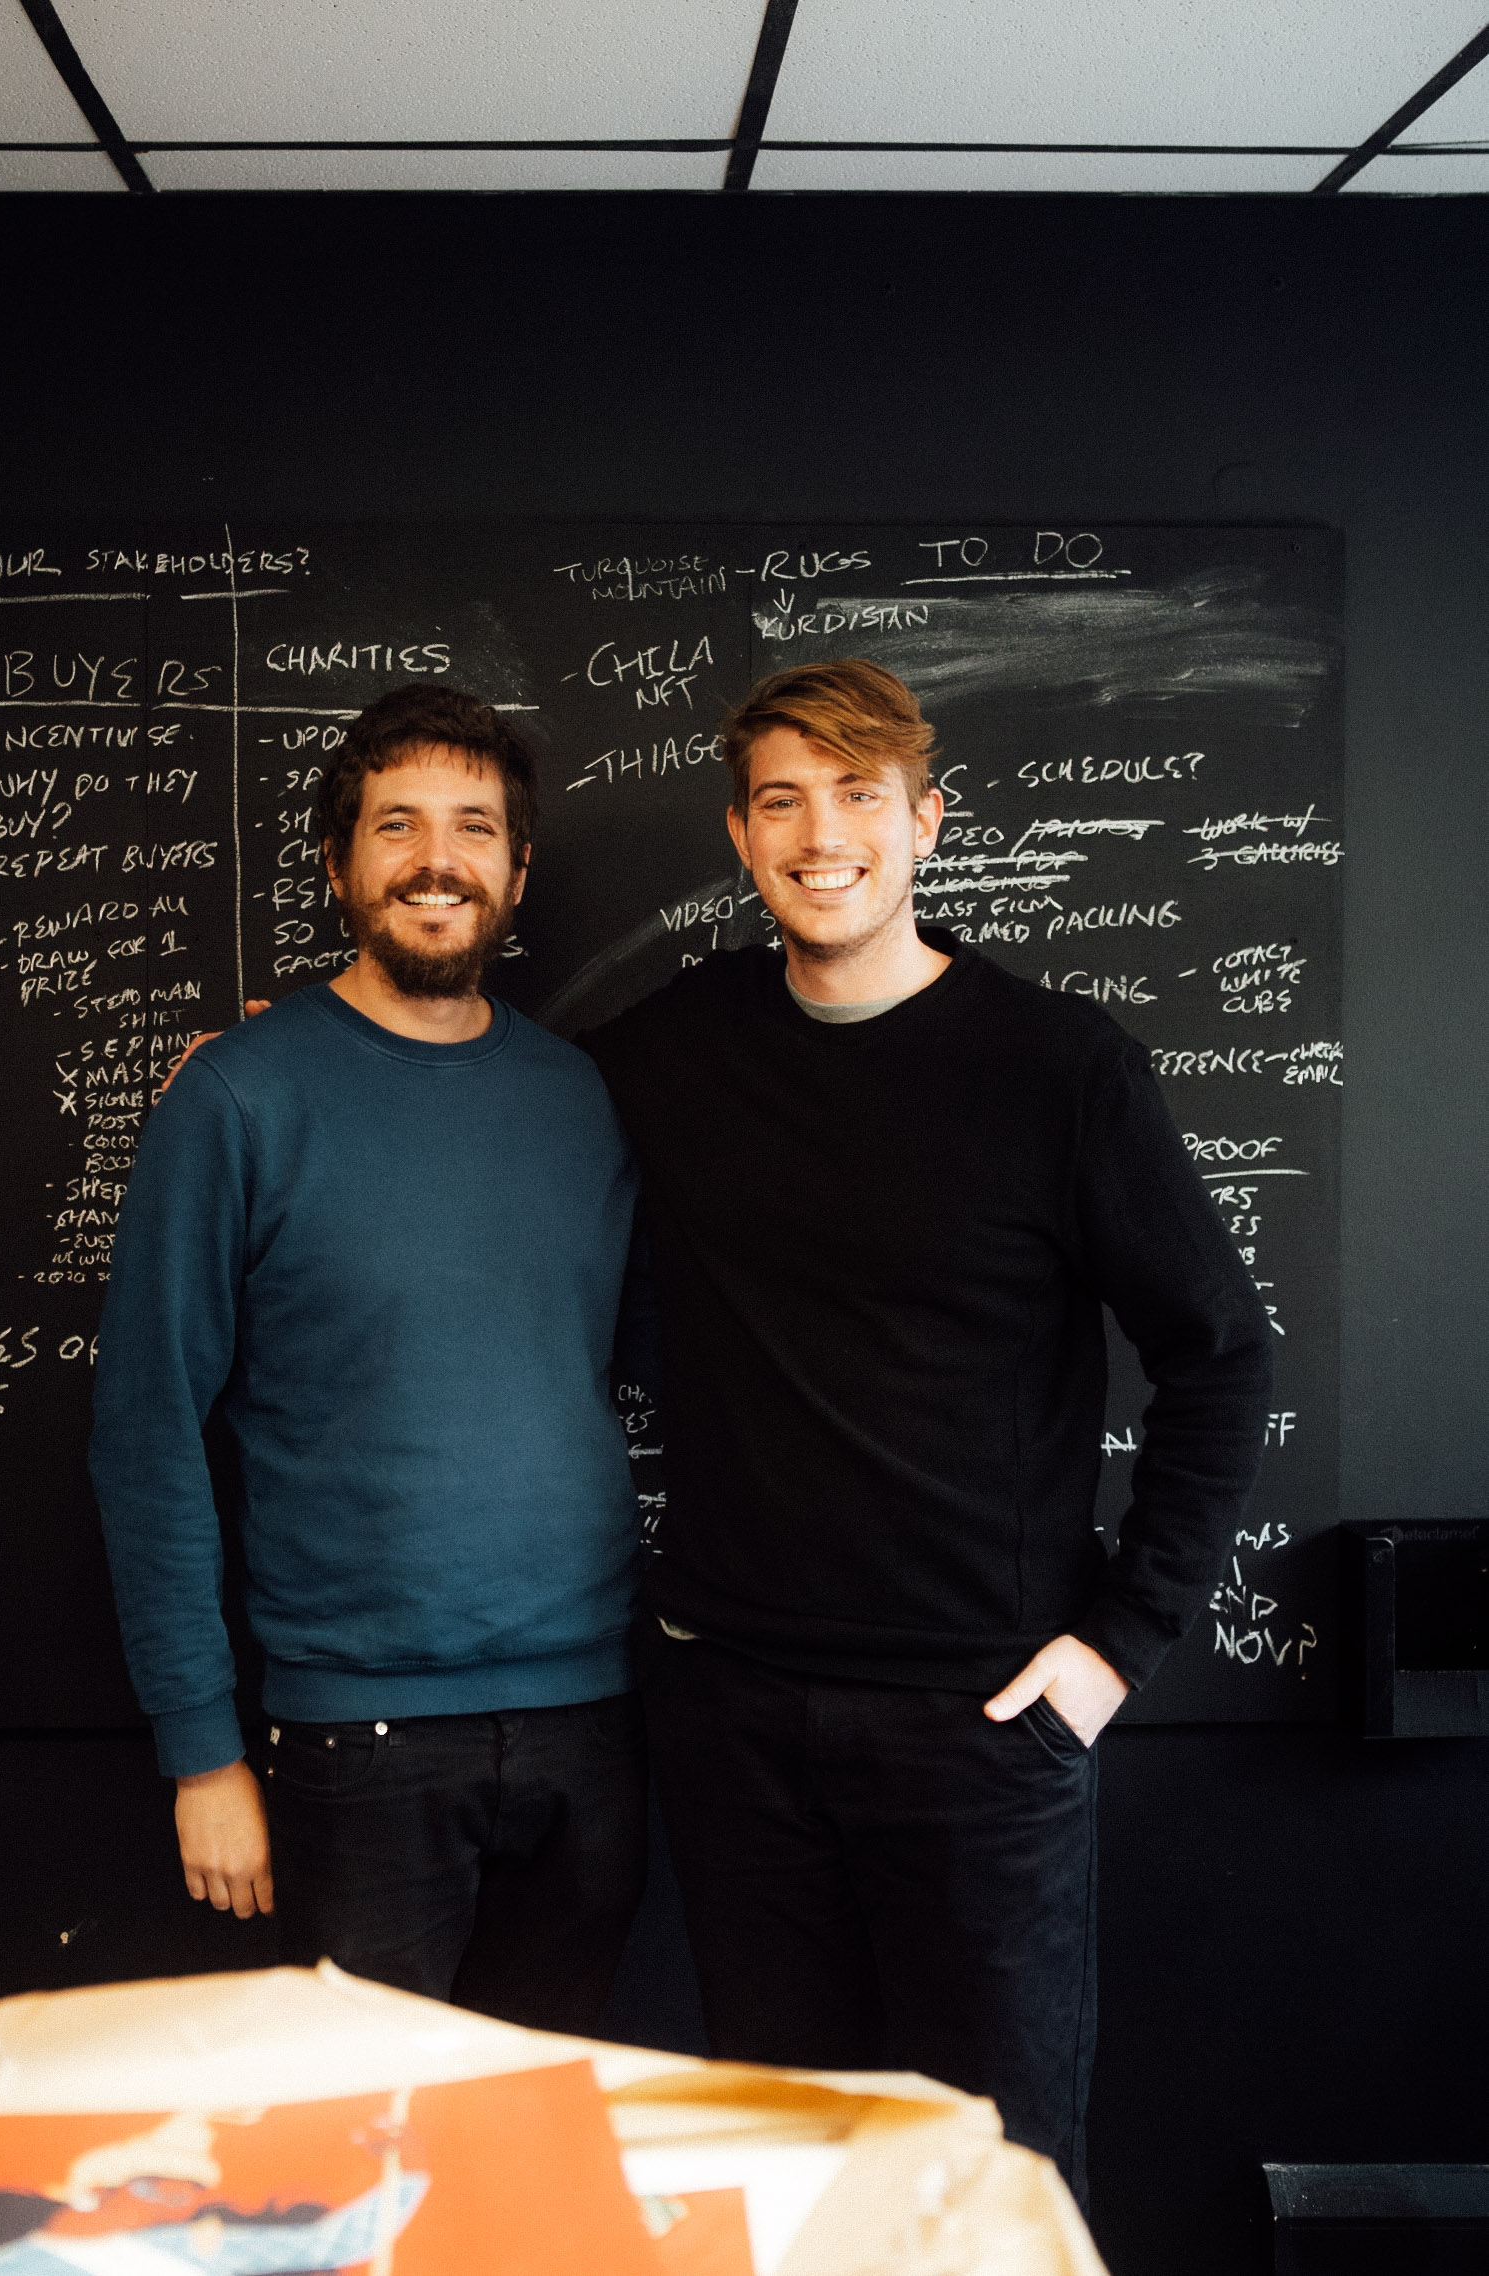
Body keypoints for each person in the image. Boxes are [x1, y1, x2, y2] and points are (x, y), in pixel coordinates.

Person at [581, 659, 1274, 2201]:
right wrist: (286, 1060)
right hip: (734, 1715)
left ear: (926, 822)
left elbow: (1220, 1357)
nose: (822, 835)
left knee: (992, 2189)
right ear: (742, 839)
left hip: (982, 1724)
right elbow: (478, 1094)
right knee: (786, 2189)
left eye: (858, 794)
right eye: (783, 800)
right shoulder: (674, 1054)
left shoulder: (1060, 1068)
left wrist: (1118, 1648)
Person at [89, 686, 649, 2033]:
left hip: (595, 1721)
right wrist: (202, 1749)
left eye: (474, 825)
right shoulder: (236, 1099)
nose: (436, 859)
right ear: (341, 866)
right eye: (396, 825)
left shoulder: (579, 1100)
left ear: (518, 872)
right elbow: (146, 1426)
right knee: (373, 2183)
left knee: (537, 2165)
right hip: (359, 1740)